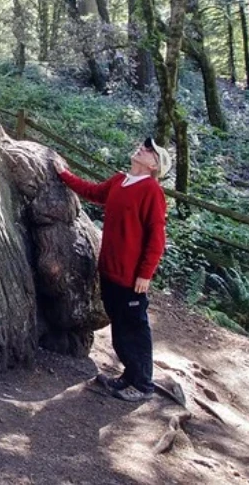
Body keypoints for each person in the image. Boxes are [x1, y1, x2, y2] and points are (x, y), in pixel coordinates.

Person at [53, 137, 172, 402]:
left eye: (151, 151)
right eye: (145, 146)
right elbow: (93, 192)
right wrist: (63, 174)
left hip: (131, 277)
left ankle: (142, 385)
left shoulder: (152, 191)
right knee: (120, 328)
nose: (143, 149)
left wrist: (145, 274)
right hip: (110, 270)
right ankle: (129, 376)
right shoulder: (120, 181)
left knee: (134, 328)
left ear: (155, 165)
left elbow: (156, 237)